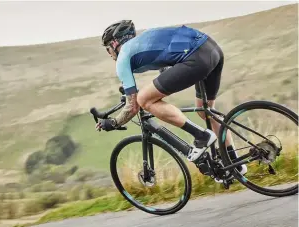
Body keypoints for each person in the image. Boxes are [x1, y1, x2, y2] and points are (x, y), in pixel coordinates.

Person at [95, 20, 247, 175]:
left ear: (115, 43)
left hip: (196, 58)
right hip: (212, 49)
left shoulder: (123, 58)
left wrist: (113, 122)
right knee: (206, 111)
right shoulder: (146, 38)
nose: (110, 54)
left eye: (108, 49)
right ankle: (236, 164)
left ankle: (201, 136)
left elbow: (133, 106)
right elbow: (167, 59)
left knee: (144, 99)